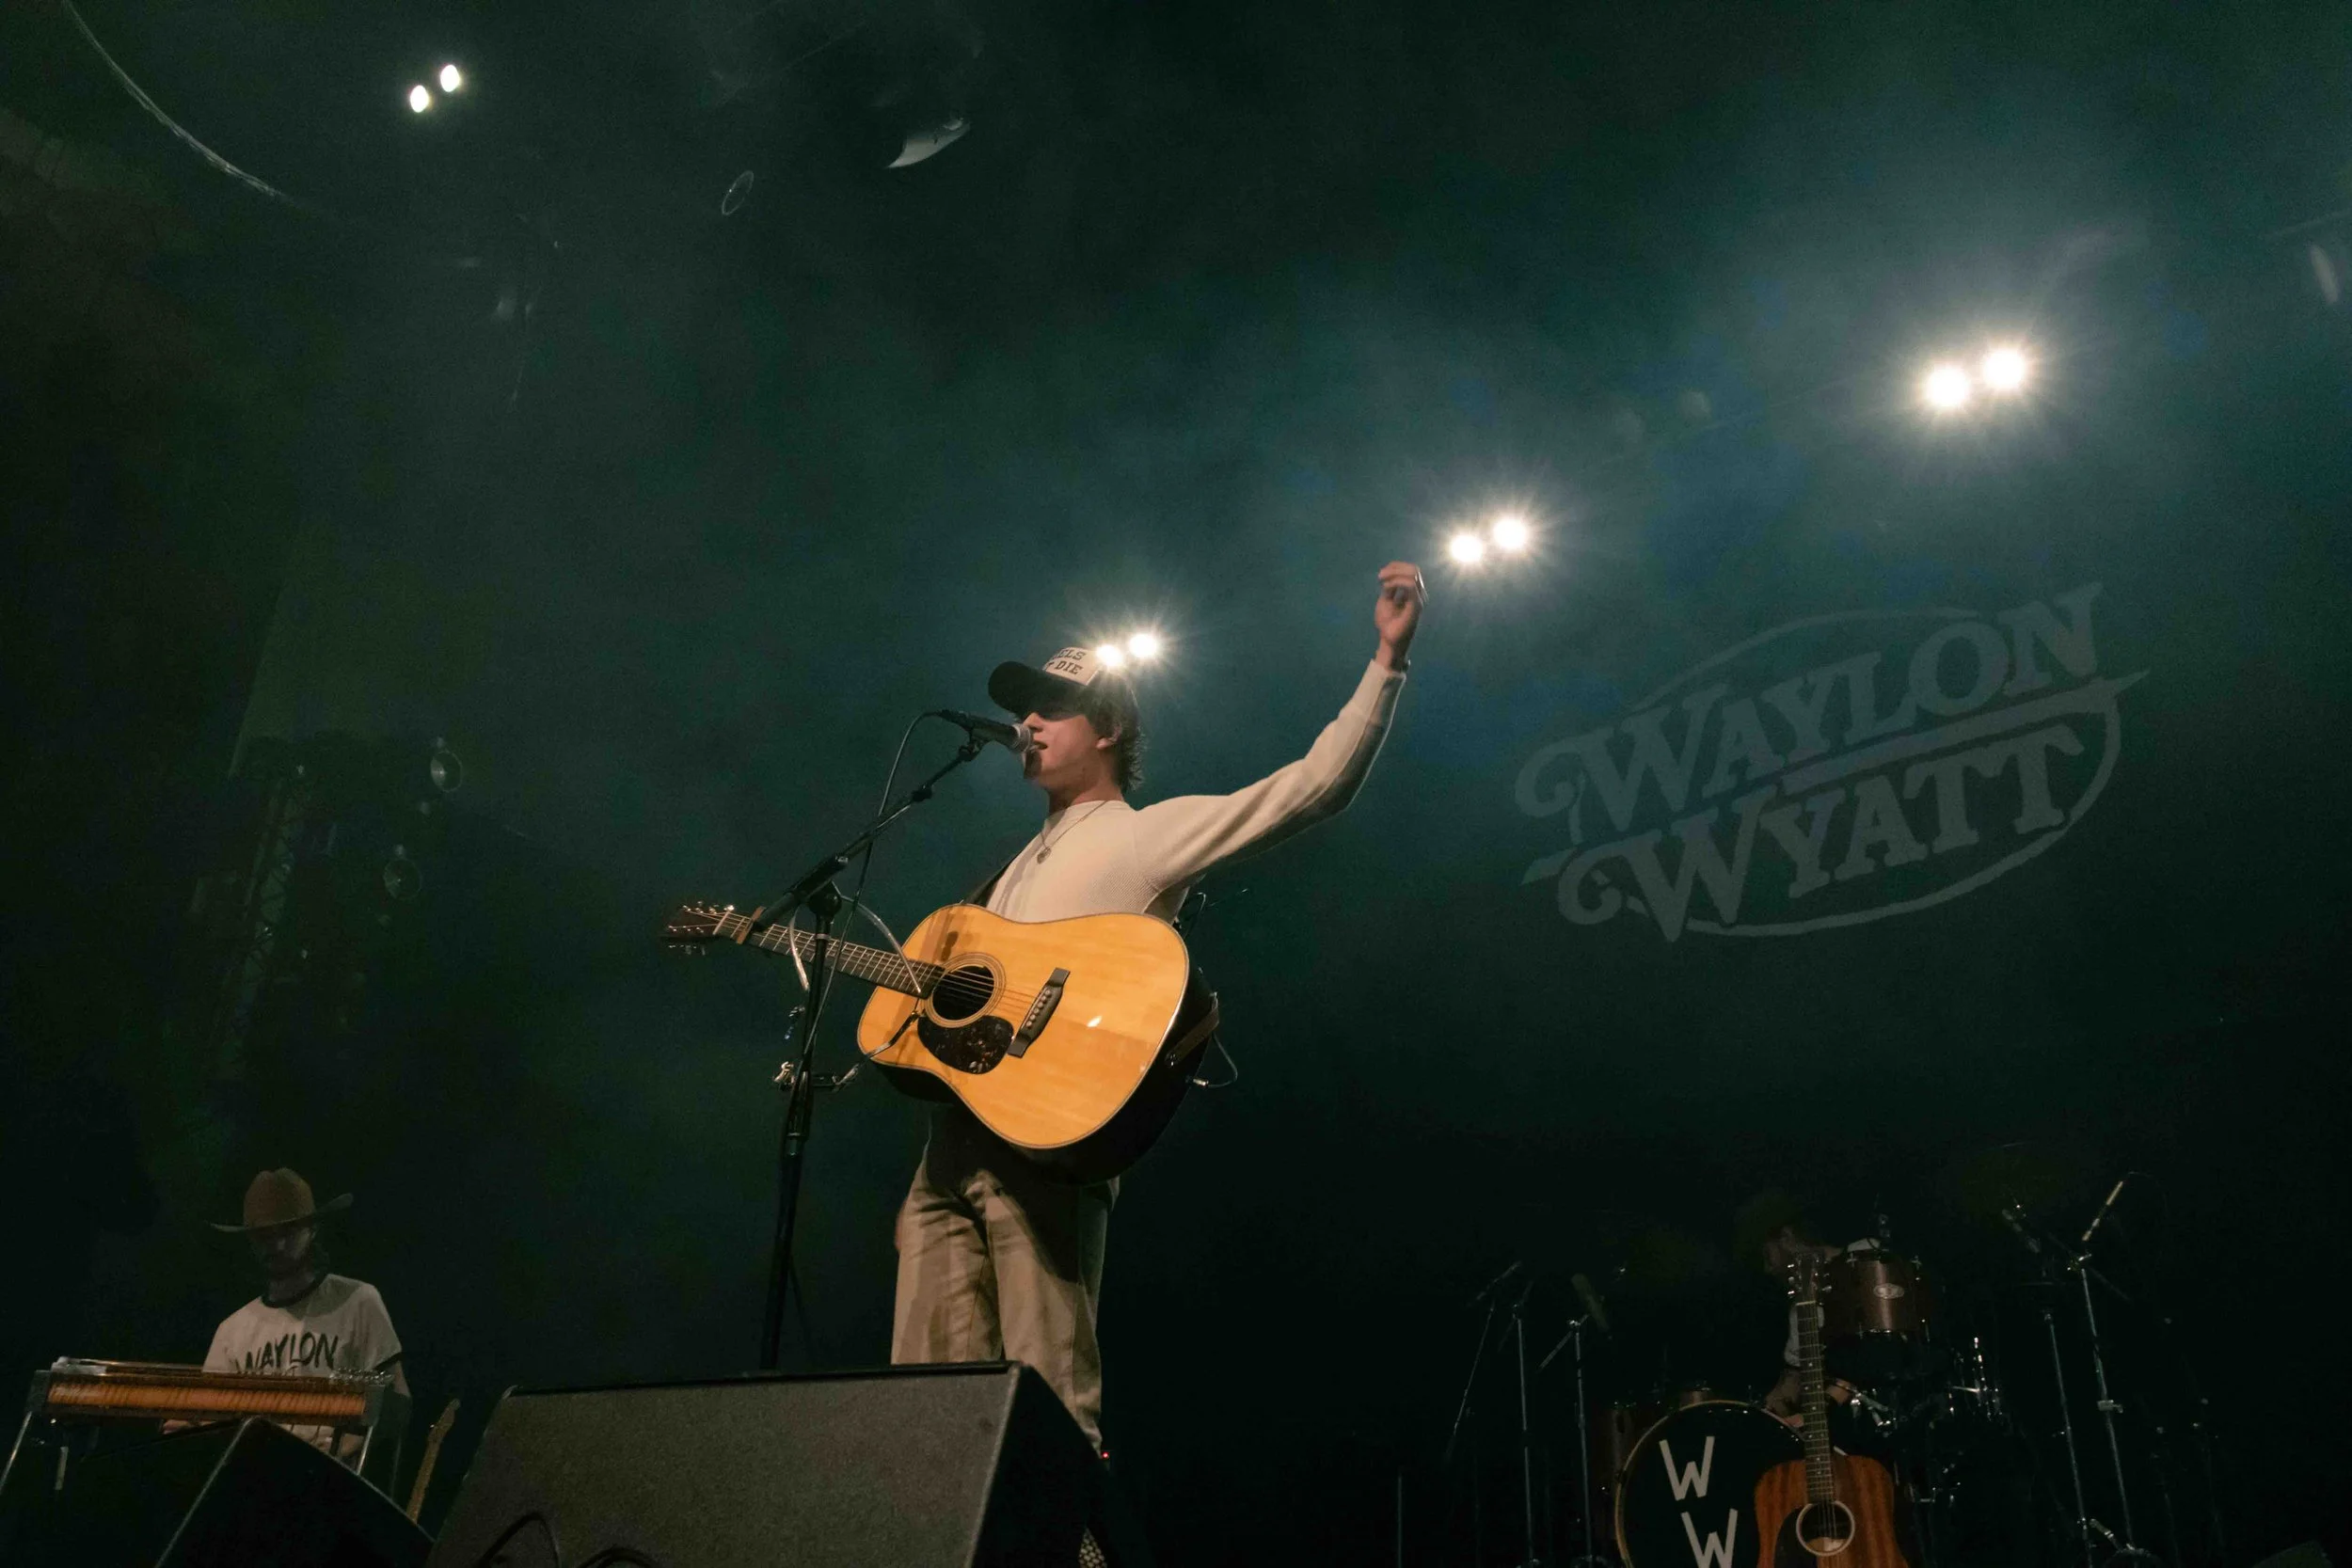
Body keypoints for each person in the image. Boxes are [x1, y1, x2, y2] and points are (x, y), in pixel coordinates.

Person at [891, 562, 1426, 1450]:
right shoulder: (1011, 868)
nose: (1026, 722)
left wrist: (1387, 661)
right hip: (953, 1142)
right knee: (923, 1413)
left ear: (1106, 728)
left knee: (1047, 1405)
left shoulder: (1142, 836)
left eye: (1051, 705)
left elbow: (1309, 787)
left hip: (1057, 1138)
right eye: (1024, 707)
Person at [203, 1167, 406, 1464]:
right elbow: (209, 1417)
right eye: (263, 1235)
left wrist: (336, 1458)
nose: (277, 1244)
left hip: (332, 1483)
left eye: (287, 1231)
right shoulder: (231, 1331)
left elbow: (397, 1403)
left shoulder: (357, 1301)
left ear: (312, 1229)